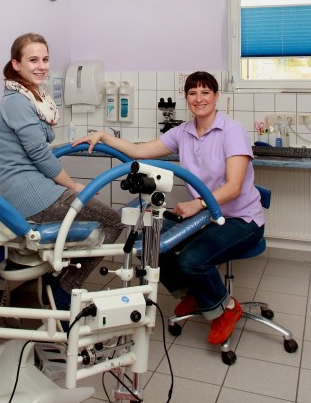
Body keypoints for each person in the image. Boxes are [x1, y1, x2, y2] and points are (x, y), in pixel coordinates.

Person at [73, 71, 264, 345]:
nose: (199, 99)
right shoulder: (182, 133)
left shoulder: (231, 131)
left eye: (205, 92)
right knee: (145, 239)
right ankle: (194, 295)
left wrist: (198, 204)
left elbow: (234, 187)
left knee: (191, 260)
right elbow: (138, 151)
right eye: (193, 93)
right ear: (186, 98)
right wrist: (104, 136)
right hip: (205, 215)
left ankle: (225, 309)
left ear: (216, 96)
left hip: (240, 219)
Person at [0, 33, 124, 321]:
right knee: (115, 221)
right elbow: (40, 155)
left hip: (36, 190)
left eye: (44, 59)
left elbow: (38, 149)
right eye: (32, 60)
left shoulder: (33, 97)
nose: (41, 66)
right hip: (33, 197)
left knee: (98, 212)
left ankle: (61, 283)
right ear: (16, 65)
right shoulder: (16, 101)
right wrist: (75, 185)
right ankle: (65, 287)